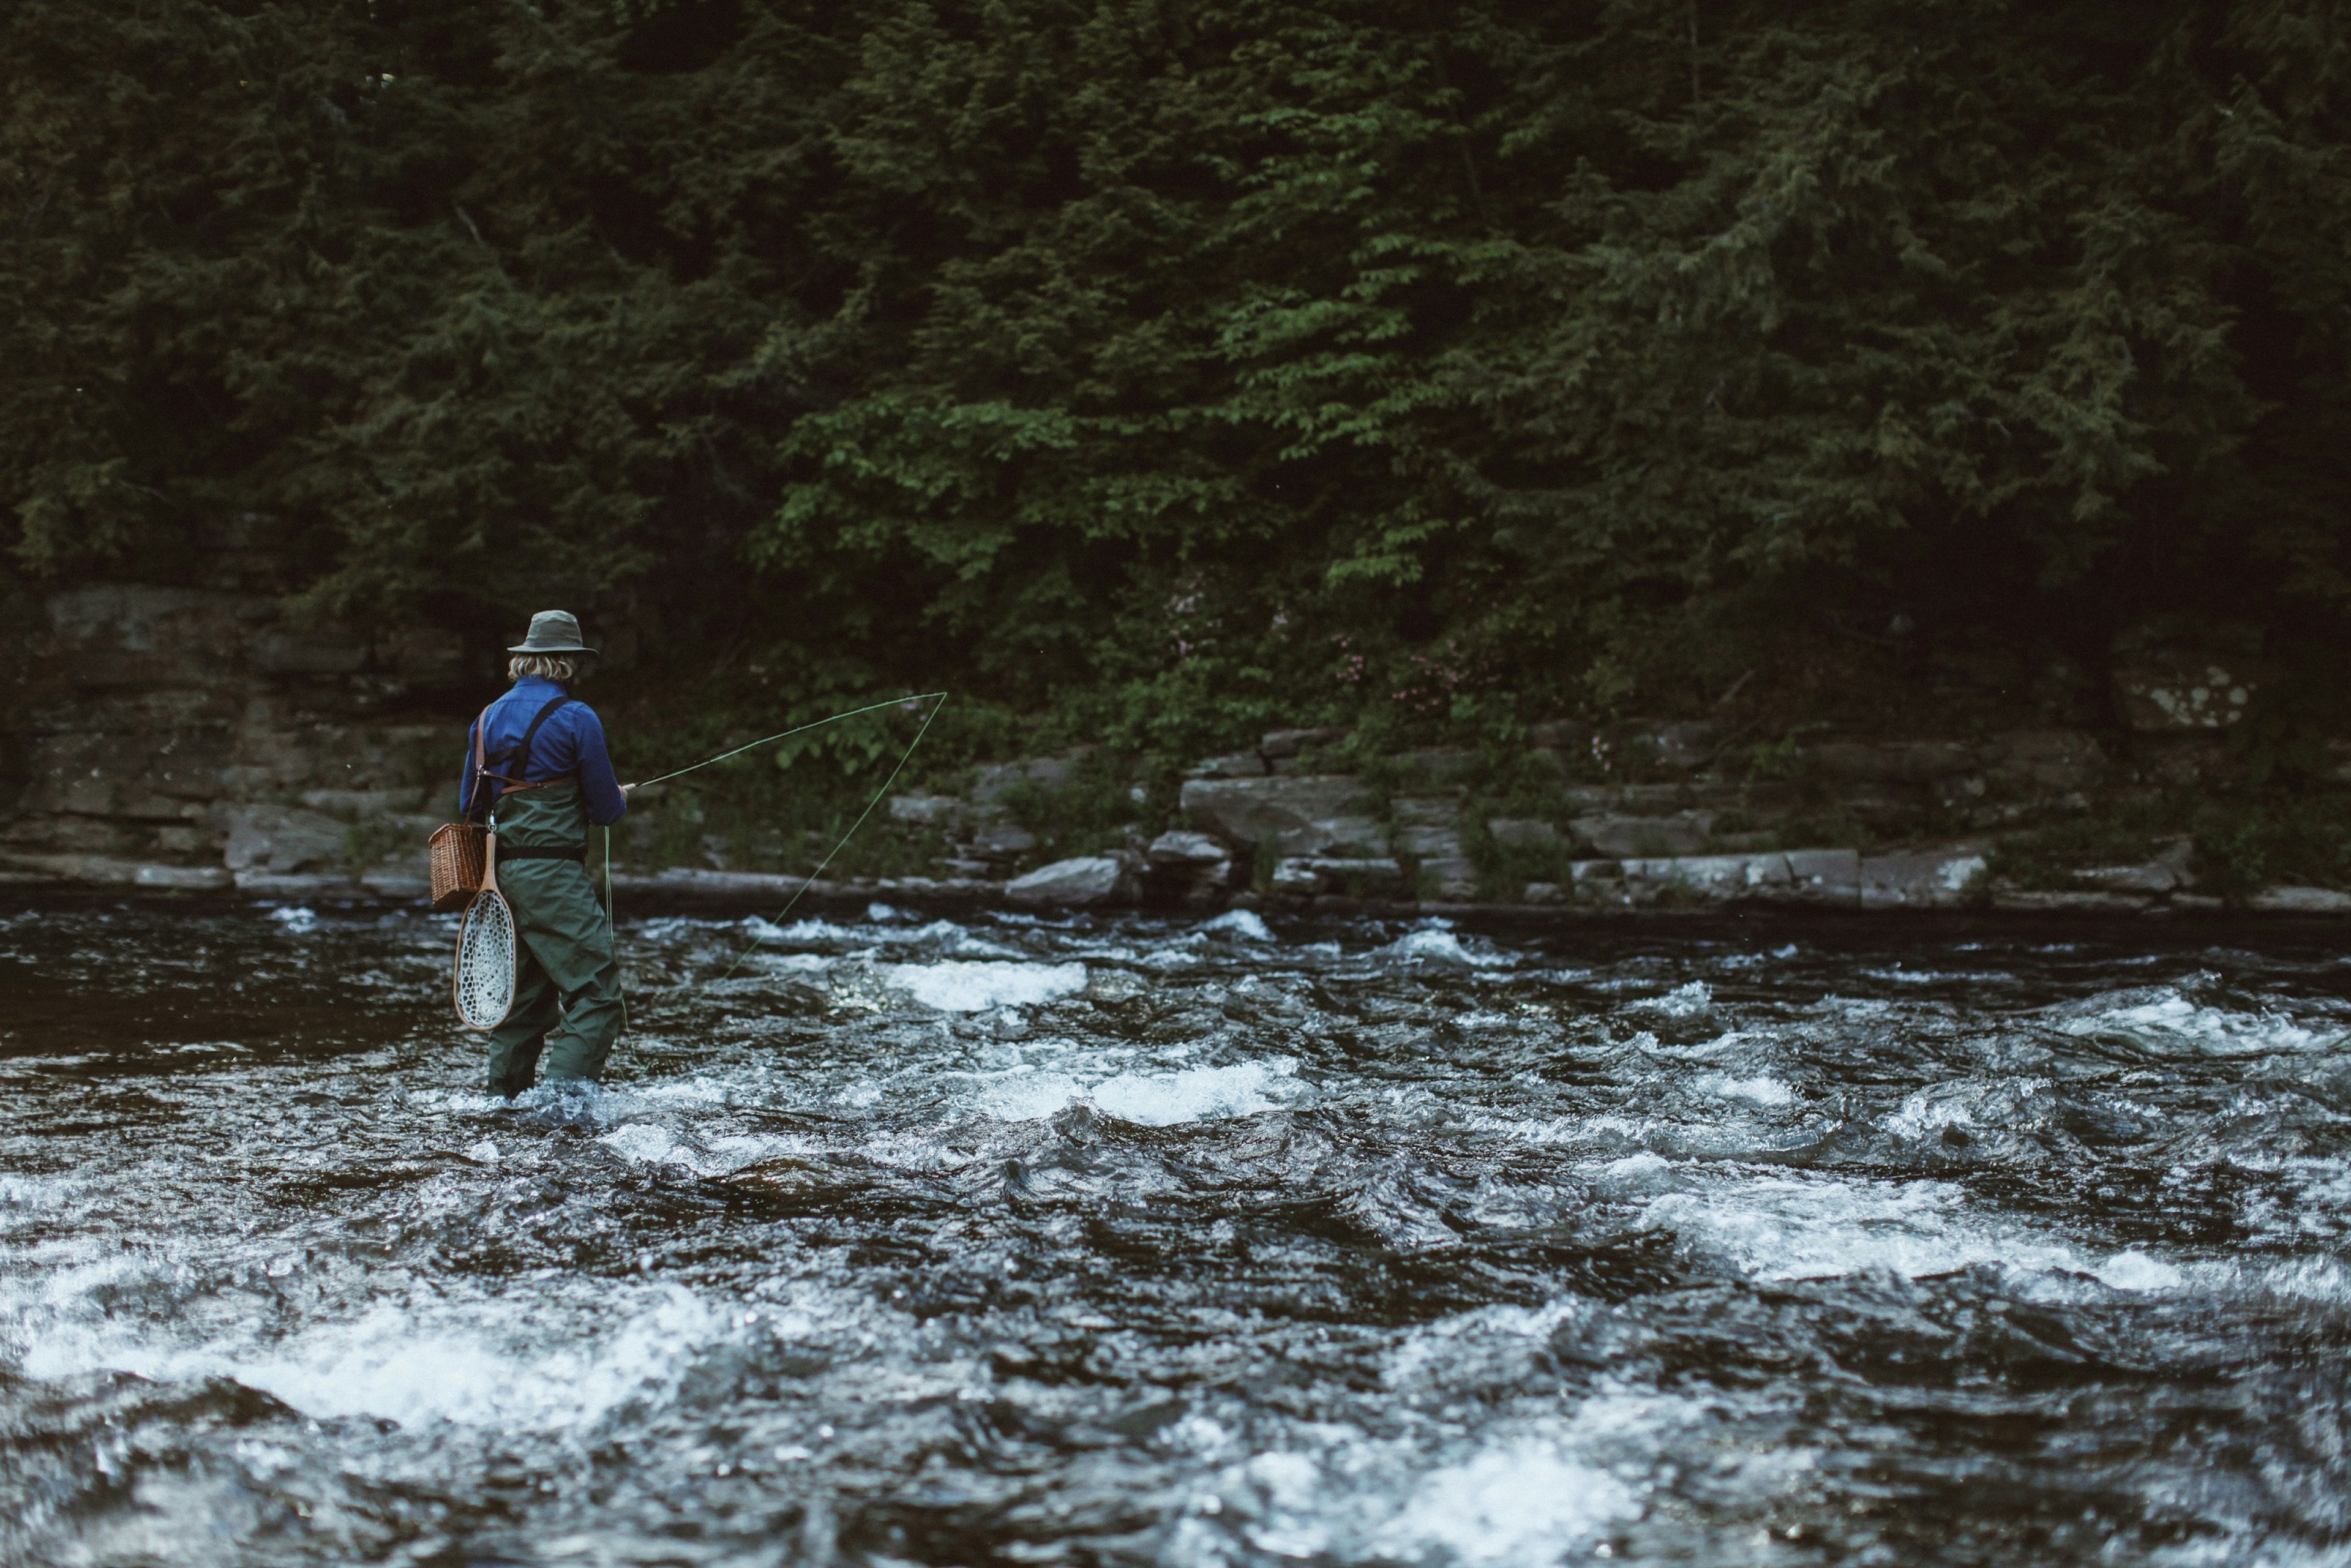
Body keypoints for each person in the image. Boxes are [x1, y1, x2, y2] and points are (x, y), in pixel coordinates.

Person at [457, 610, 632, 1097]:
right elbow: (605, 809)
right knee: (597, 996)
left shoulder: (485, 718)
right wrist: (618, 796)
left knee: (523, 1004)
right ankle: (562, 1107)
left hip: (502, 876)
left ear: (526, 660)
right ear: (567, 662)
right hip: (553, 875)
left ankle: (503, 1107)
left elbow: (469, 806)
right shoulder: (577, 718)